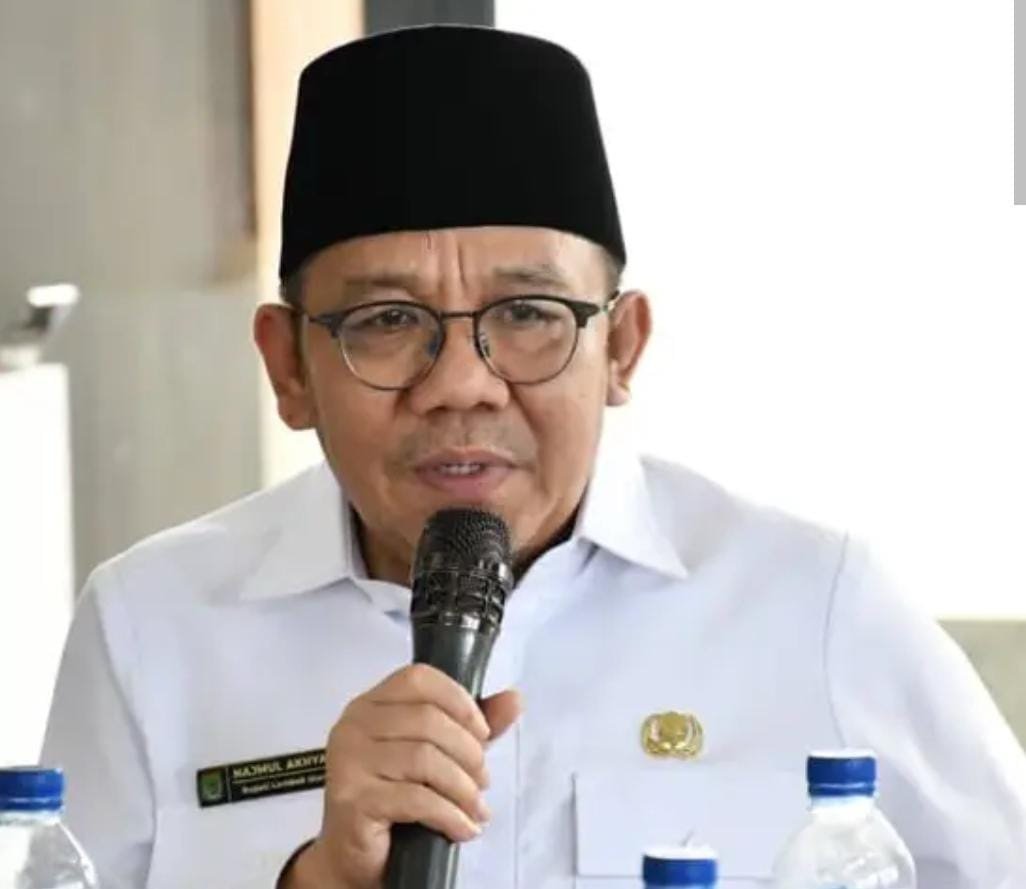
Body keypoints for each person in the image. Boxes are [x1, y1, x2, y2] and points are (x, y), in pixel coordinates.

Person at [41, 24, 1026, 889]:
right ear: (287, 366)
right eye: (388, 321)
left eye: (527, 314)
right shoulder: (152, 627)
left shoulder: (811, 603)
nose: (462, 383)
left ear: (622, 347)